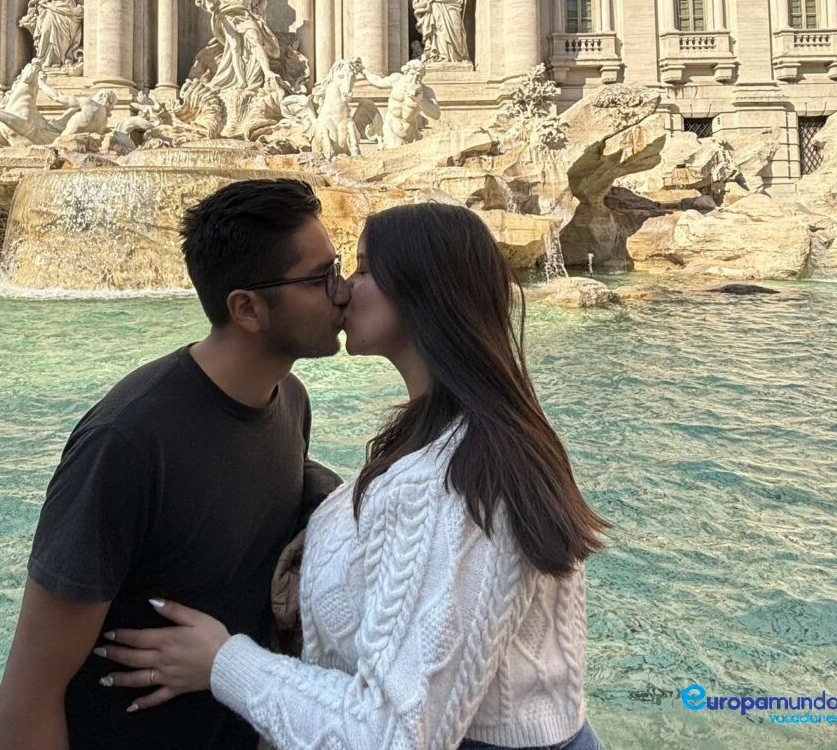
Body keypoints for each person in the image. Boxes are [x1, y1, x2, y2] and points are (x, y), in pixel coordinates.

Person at [97, 201, 608, 749]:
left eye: (361, 269)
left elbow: (390, 736)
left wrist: (225, 663)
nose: (341, 290)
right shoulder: (463, 435)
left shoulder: (458, 483)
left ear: (419, 292)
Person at [0, 178, 348, 749]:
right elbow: (26, 699)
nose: (343, 290)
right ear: (247, 308)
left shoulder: (291, 402)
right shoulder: (127, 443)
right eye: (319, 277)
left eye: (340, 267)